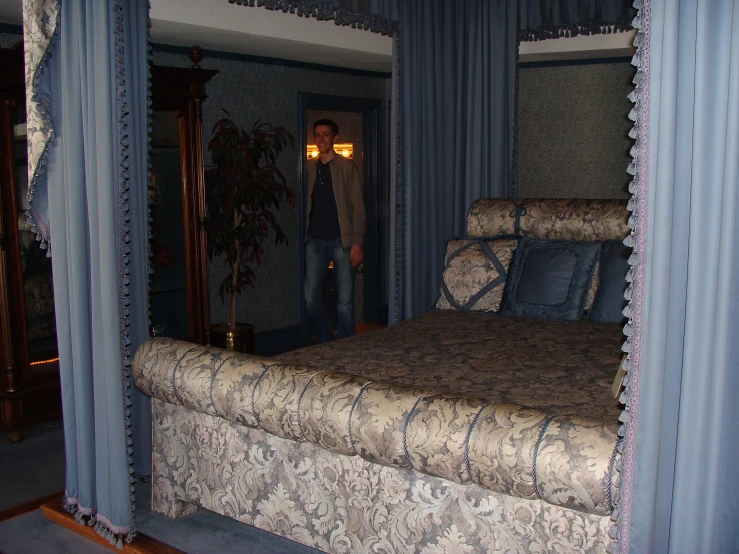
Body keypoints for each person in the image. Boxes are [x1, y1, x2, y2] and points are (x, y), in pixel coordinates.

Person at [305, 119, 365, 343]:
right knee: (310, 299)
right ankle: (326, 340)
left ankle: (348, 346)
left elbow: (359, 208)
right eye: (317, 135)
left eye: (326, 135)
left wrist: (357, 242)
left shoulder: (347, 167)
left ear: (335, 138)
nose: (321, 139)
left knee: (344, 302)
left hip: (342, 241)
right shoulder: (308, 167)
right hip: (314, 241)